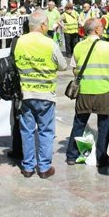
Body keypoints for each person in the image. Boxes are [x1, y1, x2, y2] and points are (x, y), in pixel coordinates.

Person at [14, 10, 67, 179]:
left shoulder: (19, 42)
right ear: (43, 25)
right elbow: (63, 66)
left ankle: (28, 166)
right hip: (45, 94)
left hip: (26, 93)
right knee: (46, 131)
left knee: (27, 131)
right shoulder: (49, 43)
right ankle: (44, 167)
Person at [65, 18, 109, 167]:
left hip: (84, 91)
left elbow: (75, 69)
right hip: (104, 90)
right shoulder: (106, 46)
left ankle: (71, 155)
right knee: (105, 124)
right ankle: (101, 157)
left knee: (79, 123)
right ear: (96, 30)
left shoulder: (78, 46)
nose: (103, 29)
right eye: (101, 27)